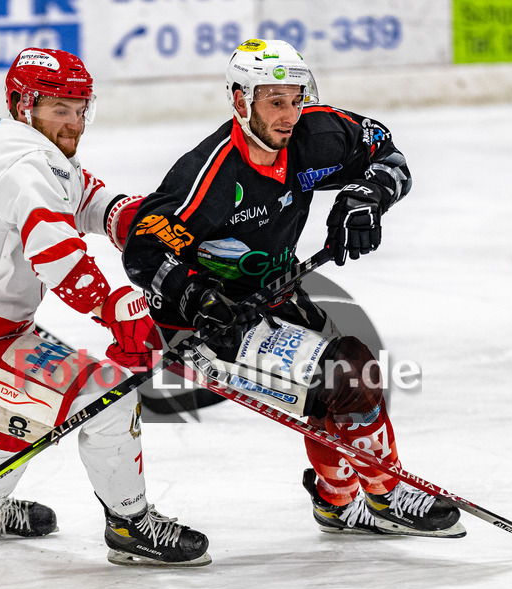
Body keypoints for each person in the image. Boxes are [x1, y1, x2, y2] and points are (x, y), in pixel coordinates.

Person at [123, 38, 465, 538]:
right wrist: (199, 297)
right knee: (349, 372)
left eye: (296, 99)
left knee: (340, 390)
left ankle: (338, 501)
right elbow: (145, 247)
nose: (289, 115)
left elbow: (386, 154)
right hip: (204, 328)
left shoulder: (315, 136)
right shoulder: (211, 176)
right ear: (241, 102)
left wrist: (366, 198)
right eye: (274, 102)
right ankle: (388, 495)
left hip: (274, 296)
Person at [0, 47, 210, 567]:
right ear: (23, 104)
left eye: (81, 109)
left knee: (25, 409)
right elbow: (57, 255)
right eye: (60, 109)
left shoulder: (19, 144)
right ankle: (131, 525)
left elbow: (82, 196)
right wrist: (115, 308)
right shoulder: (25, 164)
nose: (75, 123)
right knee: (108, 395)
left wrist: (141, 222)